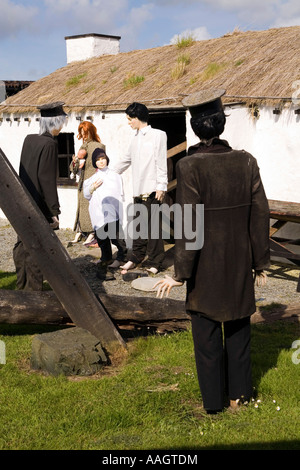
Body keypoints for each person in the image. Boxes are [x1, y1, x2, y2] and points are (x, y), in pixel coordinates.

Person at [155, 89, 270, 414]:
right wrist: (260, 262)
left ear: (195, 127)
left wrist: (180, 274)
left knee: (207, 341)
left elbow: (189, 226)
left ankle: (214, 404)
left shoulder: (189, 166)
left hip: (204, 268)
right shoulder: (246, 161)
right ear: (221, 123)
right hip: (238, 263)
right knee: (238, 334)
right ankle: (240, 398)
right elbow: (260, 214)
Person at [13, 101, 67, 290]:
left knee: (22, 246)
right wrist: (54, 211)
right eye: (61, 122)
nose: (62, 126)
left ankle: (21, 288)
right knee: (38, 249)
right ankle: (34, 293)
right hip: (39, 207)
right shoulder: (50, 144)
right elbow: (46, 180)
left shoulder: (30, 139)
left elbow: (23, 171)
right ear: (55, 122)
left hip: (22, 201)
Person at [112, 102, 168, 275]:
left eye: (130, 119)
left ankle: (156, 262)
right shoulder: (134, 138)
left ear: (137, 118)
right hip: (138, 190)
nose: (129, 123)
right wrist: (107, 174)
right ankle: (135, 257)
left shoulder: (158, 135)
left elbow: (161, 161)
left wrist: (161, 185)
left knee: (153, 229)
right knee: (138, 226)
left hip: (152, 189)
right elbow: (125, 160)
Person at [83, 148, 127, 281]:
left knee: (116, 237)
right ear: (94, 162)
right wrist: (92, 188)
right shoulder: (91, 179)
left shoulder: (115, 176)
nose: (101, 162)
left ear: (107, 159)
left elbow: (120, 194)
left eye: (103, 158)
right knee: (102, 238)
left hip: (112, 212)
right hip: (98, 213)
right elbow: (86, 194)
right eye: (98, 160)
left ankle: (121, 258)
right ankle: (106, 257)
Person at [71, 121, 106, 245]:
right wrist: (76, 161)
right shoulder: (83, 147)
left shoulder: (99, 146)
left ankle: (91, 232)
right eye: (82, 134)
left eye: (85, 133)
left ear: (91, 132)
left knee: (90, 207)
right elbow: (74, 169)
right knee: (81, 206)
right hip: (83, 181)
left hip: (93, 181)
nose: (84, 137)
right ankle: (81, 231)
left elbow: (102, 164)